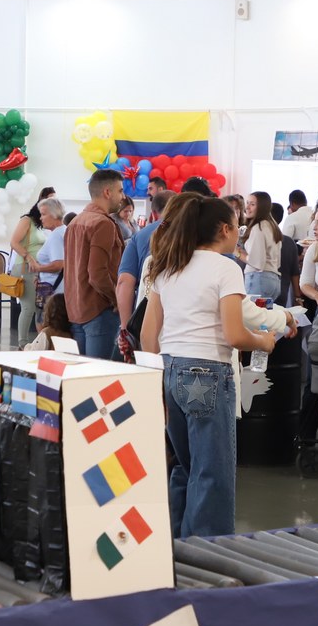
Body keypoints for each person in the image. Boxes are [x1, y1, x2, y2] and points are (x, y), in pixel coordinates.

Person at [141, 193, 285, 537]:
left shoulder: (169, 264)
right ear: (224, 229)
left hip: (169, 369)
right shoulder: (226, 267)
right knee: (213, 472)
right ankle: (209, 552)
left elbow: (148, 335)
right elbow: (235, 334)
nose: (240, 233)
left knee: (185, 465)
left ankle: (177, 544)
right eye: (238, 227)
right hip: (207, 373)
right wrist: (264, 341)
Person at [65, 169, 127, 360]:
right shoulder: (103, 224)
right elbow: (97, 273)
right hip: (99, 310)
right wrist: (117, 300)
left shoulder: (75, 222)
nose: (123, 197)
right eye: (120, 191)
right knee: (99, 371)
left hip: (75, 308)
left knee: (82, 371)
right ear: (107, 192)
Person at [117, 189, 174, 324]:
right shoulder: (197, 235)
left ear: (153, 213)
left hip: (148, 315)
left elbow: (124, 282)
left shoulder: (140, 236)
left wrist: (125, 327)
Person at [7, 185, 56, 336]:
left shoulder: (42, 224)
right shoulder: (27, 220)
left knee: (39, 308)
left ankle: (37, 342)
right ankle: (22, 343)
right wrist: (29, 258)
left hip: (38, 269)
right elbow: (14, 242)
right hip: (26, 267)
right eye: (50, 199)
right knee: (28, 307)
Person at [242, 191, 283, 301]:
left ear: (262, 207)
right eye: (247, 203)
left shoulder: (258, 228)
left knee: (251, 312)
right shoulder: (272, 226)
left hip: (258, 278)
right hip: (273, 279)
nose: (247, 207)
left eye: (252, 204)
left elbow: (257, 263)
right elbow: (277, 262)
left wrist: (237, 252)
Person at [33, 199, 69, 315]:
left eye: (43, 214)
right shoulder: (64, 231)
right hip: (60, 289)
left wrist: (38, 268)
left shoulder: (56, 236)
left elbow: (58, 265)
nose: (40, 218)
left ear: (54, 214)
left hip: (53, 291)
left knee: (46, 323)